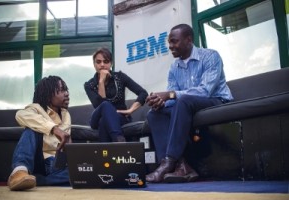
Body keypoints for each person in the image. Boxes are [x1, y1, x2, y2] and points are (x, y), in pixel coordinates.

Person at [145, 24, 233, 183]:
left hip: (217, 100)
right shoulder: (174, 67)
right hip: (186, 105)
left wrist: (169, 95)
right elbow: (173, 98)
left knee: (182, 100)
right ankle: (182, 166)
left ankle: (169, 162)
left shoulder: (210, 56)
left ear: (189, 40)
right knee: (154, 113)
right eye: (169, 42)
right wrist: (160, 102)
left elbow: (205, 91)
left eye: (174, 41)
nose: (170, 46)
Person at [7, 75, 71, 191]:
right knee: (31, 128)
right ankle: (20, 172)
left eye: (65, 90)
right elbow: (20, 115)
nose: (66, 93)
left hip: (58, 163)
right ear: (48, 95)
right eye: (61, 90)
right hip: (39, 161)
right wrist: (54, 129)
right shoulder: (36, 108)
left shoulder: (66, 114)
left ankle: (38, 180)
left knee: (81, 172)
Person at [84, 48, 148, 142]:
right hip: (96, 118)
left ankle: (109, 150)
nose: (102, 65)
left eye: (106, 61)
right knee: (105, 106)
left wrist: (130, 110)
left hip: (119, 117)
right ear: (94, 64)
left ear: (111, 63)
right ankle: (119, 141)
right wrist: (101, 81)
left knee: (104, 122)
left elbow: (143, 93)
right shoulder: (89, 85)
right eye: (98, 62)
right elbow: (99, 106)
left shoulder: (120, 77)